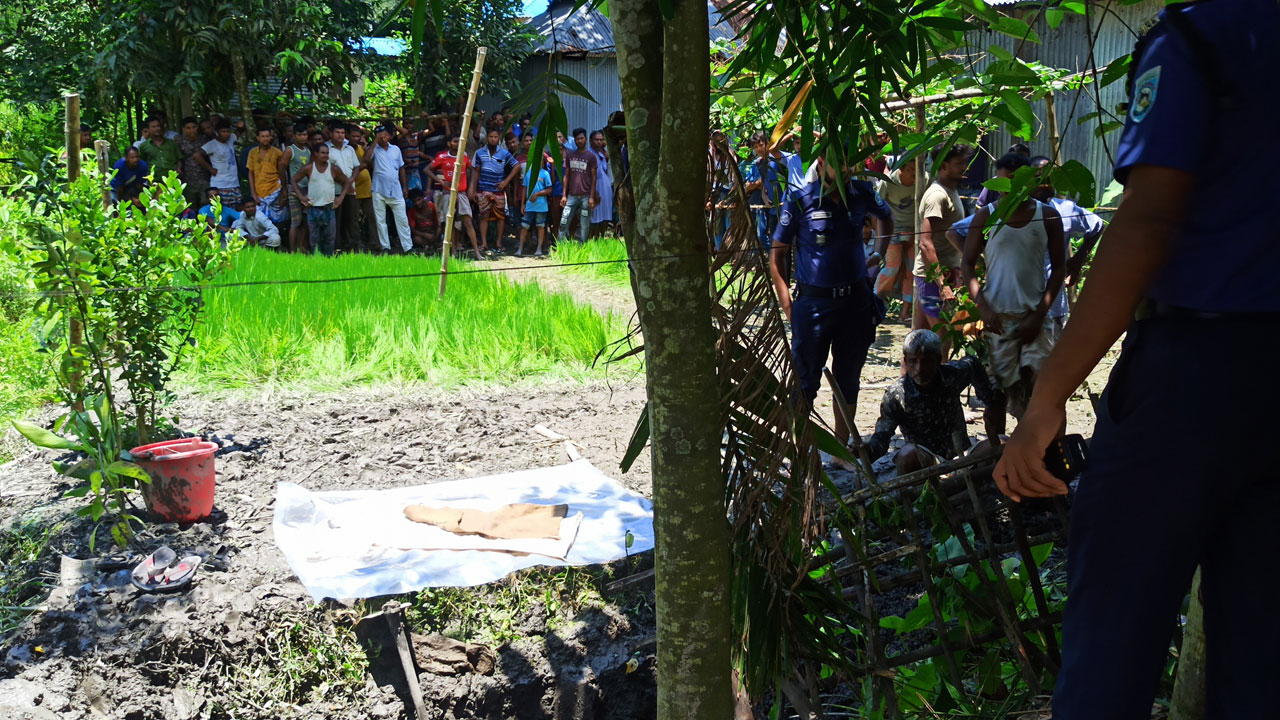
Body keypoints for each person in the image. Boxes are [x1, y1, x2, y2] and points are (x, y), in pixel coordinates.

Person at [996, 5, 1280, 719]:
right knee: (1260, 652)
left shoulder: (1203, 35)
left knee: (1113, 638)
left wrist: (1047, 397)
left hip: (1193, 375)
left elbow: (1148, 217)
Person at [770, 156, 892, 459]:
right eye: (841, 160)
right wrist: (789, 306)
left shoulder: (863, 193)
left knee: (848, 378)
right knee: (805, 382)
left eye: (851, 160)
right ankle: (799, 454)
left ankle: (841, 452)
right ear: (822, 163)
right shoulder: (801, 200)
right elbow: (778, 254)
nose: (848, 167)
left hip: (856, 303)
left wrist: (879, 253)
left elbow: (887, 218)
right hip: (813, 306)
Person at [961, 152, 1065, 438]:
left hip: (1035, 319)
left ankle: (1037, 452)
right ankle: (996, 454)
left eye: (1011, 181)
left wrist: (1040, 313)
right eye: (1001, 181)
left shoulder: (1048, 216)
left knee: (1040, 388)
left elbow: (1059, 269)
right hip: (998, 319)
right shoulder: (986, 216)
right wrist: (982, 306)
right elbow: (967, 263)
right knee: (997, 394)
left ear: (1027, 180)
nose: (1005, 188)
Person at [863, 330, 992, 474]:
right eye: (913, 361)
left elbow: (972, 363)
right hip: (926, 461)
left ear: (938, 359)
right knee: (906, 455)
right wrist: (868, 449)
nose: (919, 369)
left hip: (963, 457)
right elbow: (882, 437)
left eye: (926, 361)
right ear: (905, 361)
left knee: (1004, 443)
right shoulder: (896, 395)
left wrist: (989, 400)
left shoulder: (952, 376)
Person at [1028, 156, 1106, 338]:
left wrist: (1078, 260)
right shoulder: (1014, 212)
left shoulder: (1065, 210)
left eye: (1049, 179)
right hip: (1021, 305)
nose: (1044, 184)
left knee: (1052, 360)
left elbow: (1097, 225)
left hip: (1053, 305)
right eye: (1038, 178)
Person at [914, 143, 973, 351]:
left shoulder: (950, 191)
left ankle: (907, 381)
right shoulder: (937, 195)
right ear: (943, 166)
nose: (964, 167)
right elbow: (925, 242)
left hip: (943, 273)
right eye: (959, 164)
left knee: (917, 340)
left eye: (964, 162)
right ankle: (938, 382)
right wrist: (942, 284)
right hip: (934, 278)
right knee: (943, 340)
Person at [874, 160, 923, 322]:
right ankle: (874, 299)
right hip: (893, 230)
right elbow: (877, 209)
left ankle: (905, 313)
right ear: (901, 167)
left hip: (915, 229)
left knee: (912, 270)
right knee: (892, 267)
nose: (914, 173)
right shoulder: (888, 181)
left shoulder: (924, 179)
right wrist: (881, 236)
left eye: (917, 169)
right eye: (910, 169)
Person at [354, 124, 412, 254]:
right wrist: (375, 141)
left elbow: (401, 167)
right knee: (380, 220)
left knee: (402, 219)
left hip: (396, 189)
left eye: (385, 134)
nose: (383, 137)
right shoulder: (373, 149)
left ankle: (408, 247)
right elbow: (366, 159)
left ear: (390, 136)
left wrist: (405, 187)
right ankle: (385, 247)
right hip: (378, 189)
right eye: (381, 134)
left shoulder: (396, 149)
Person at [289, 142, 351, 257]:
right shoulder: (309, 168)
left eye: (327, 153)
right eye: (322, 153)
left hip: (329, 207)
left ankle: (328, 260)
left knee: (329, 238)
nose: (325, 155)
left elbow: (346, 182)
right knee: (314, 238)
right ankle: (317, 260)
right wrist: (301, 197)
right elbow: (293, 180)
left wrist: (341, 197)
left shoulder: (333, 169)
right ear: (316, 154)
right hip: (313, 208)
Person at [426, 134, 482, 260]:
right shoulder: (442, 157)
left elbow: (473, 169)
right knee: (449, 223)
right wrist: (441, 182)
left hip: (461, 193)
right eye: (455, 141)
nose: (458, 143)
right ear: (449, 144)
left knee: (467, 221)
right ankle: (453, 251)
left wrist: (471, 186)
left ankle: (477, 252)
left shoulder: (464, 156)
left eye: (459, 141)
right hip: (448, 193)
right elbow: (427, 169)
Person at [471, 127, 519, 254]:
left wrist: (505, 181)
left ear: (499, 139)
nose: (493, 139)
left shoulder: (504, 153)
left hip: (498, 190)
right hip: (483, 189)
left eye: (495, 137)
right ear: (487, 138)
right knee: (483, 216)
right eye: (491, 137)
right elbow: (476, 171)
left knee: (500, 217)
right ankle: (484, 243)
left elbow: (516, 166)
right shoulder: (480, 153)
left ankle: (498, 242)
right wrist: (473, 189)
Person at [326, 122, 362, 253]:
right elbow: (329, 170)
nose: (340, 135)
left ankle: (353, 246)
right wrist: (346, 183)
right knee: (336, 220)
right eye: (337, 132)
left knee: (352, 219)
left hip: (351, 190)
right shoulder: (326, 149)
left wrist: (351, 180)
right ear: (331, 134)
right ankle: (337, 247)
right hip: (335, 191)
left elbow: (357, 166)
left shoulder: (350, 149)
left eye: (342, 133)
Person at [559, 128, 597, 243]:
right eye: (577, 139)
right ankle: (562, 246)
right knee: (564, 221)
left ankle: (583, 246)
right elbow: (566, 175)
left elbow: (594, 178)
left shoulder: (591, 157)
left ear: (586, 140)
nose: (579, 141)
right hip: (571, 196)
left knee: (584, 224)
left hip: (586, 196)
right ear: (574, 140)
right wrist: (564, 195)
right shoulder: (570, 155)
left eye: (581, 138)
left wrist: (591, 197)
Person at [279, 123, 313, 252]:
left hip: (307, 189)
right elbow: (281, 168)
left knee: (305, 221)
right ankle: (293, 251)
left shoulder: (308, 149)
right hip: (294, 189)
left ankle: (302, 248)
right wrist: (284, 187)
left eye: (304, 135)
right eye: (299, 135)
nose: (302, 137)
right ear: (294, 136)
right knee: (295, 222)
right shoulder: (290, 150)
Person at [246, 127, 287, 231]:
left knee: (277, 220)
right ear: (258, 138)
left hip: (275, 190)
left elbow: (283, 172)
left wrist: (283, 191)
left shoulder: (277, 153)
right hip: (259, 191)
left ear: (271, 137)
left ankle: (277, 242)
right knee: (259, 220)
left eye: (267, 136)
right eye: (263, 136)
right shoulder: (253, 152)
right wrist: (253, 193)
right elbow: (250, 173)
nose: (265, 139)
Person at [176, 116, 215, 208]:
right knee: (190, 206)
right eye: (188, 128)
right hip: (188, 179)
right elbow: (178, 158)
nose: (191, 130)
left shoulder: (205, 140)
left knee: (206, 204)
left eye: (194, 127)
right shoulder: (179, 142)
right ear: (184, 129)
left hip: (204, 178)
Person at [517, 159, 553, 257]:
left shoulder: (545, 173)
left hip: (541, 205)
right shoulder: (528, 173)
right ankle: (520, 248)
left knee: (540, 226)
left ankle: (539, 248)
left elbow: (549, 189)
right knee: (524, 225)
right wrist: (523, 204)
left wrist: (537, 194)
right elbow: (524, 188)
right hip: (529, 205)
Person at [350, 126, 377, 252]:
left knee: (372, 216)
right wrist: (361, 167)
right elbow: (353, 168)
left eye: (358, 136)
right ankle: (357, 243)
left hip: (367, 187)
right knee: (354, 219)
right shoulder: (347, 150)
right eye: (353, 136)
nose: (356, 139)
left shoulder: (361, 148)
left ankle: (374, 242)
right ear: (348, 136)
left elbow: (369, 164)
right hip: (354, 188)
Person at [203, 119, 241, 209]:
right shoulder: (212, 144)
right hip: (220, 184)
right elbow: (197, 155)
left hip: (234, 183)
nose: (226, 134)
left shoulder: (230, 139)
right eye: (223, 132)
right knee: (221, 209)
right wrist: (210, 169)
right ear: (217, 132)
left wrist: (240, 127)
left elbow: (239, 132)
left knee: (237, 208)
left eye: (228, 131)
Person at [137, 117, 182, 185]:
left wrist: (178, 169)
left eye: (158, 126)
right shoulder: (143, 146)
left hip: (172, 180)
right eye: (153, 127)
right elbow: (141, 163)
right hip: (154, 182)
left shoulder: (172, 144)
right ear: (148, 129)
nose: (157, 129)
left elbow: (179, 158)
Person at [588, 130, 613, 236]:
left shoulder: (602, 155)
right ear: (591, 141)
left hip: (606, 190)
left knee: (605, 216)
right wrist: (594, 194)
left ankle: (601, 239)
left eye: (601, 140)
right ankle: (592, 240)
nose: (599, 142)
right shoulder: (589, 154)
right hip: (595, 190)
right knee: (594, 218)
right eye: (596, 140)